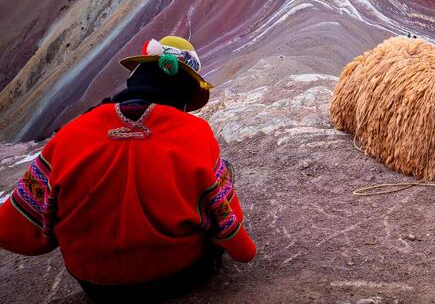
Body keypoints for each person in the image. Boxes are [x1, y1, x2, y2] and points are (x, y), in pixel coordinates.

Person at [0, 36, 256, 302]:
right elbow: (225, 221)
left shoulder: (70, 134)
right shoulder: (195, 133)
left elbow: (17, 225)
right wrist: (242, 248)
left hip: (97, 284)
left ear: (136, 81)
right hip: (180, 274)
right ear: (183, 95)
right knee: (222, 171)